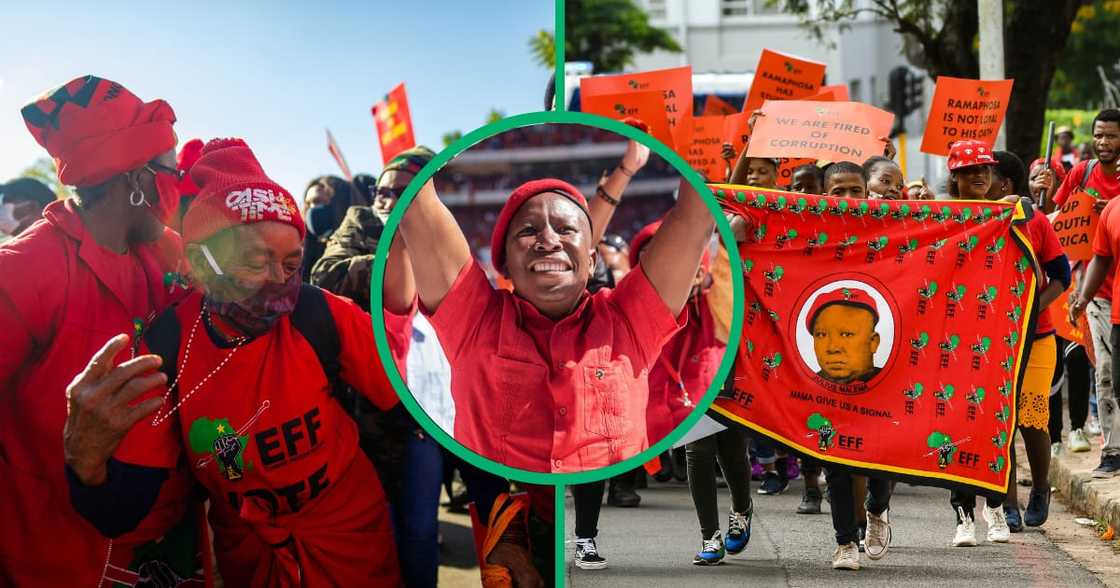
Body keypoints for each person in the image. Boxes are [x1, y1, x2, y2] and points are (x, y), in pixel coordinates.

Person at [64, 138, 403, 586]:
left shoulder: (319, 313)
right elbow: (121, 511)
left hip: (353, 542)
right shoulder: (168, 347)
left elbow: (415, 402)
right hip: (249, 557)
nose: (277, 284)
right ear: (201, 262)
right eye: (255, 261)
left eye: (290, 264)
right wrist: (85, 461)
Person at [0, 75, 203, 586]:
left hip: (174, 548)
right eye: (170, 171)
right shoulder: (24, 270)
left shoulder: (170, 253)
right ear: (137, 180)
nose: (177, 186)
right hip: (60, 558)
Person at [816, 162, 892, 571]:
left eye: (855, 191)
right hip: (830, 381)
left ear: (868, 194)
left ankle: (877, 509)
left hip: (881, 371)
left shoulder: (891, 228)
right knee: (835, 458)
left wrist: (1008, 206)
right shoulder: (807, 233)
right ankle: (845, 542)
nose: (847, 200)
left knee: (882, 453)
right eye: (837, 192)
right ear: (823, 196)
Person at [990, 150, 1070, 531]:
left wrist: (1032, 308)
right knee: (1000, 421)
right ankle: (1007, 503)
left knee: (1031, 419)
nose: (979, 181)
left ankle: (1040, 488)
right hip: (991, 341)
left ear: (1004, 183)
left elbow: (1062, 275)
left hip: (1036, 338)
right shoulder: (973, 220)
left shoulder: (1034, 221)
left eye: (986, 175)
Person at [1062, 109, 1120, 478]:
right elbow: (1056, 217)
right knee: (1106, 371)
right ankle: (1112, 450)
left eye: (1111, 135)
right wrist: (1081, 295)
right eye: (1098, 135)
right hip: (1100, 294)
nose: (1103, 142)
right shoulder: (1082, 174)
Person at [808, 288, 882, 384]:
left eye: (846, 334)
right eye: (821, 335)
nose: (832, 348)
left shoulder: (894, 381)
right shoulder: (806, 384)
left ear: (873, 342)